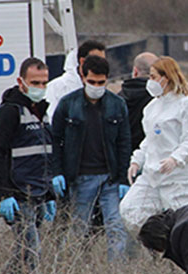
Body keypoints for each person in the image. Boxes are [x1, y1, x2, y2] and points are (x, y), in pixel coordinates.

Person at [51, 55, 131, 261]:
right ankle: (75, 269)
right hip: (80, 177)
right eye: (92, 81)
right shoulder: (68, 104)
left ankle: (117, 273)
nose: (96, 86)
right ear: (83, 77)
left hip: (110, 178)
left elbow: (124, 143)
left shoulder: (117, 105)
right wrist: (57, 172)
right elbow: (56, 141)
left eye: (101, 82)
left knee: (115, 226)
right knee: (78, 228)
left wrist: (123, 179)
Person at [0, 57, 56, 274]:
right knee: (32, 250)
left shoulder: (41, 111)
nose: (40, 88)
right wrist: (5, 194)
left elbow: (43, 155)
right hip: (19, 193)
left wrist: (49, 194)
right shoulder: (9, 112)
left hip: (38, 192)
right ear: (21, 81)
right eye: (35, 83)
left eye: (44, 83)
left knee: (23, 252)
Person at [119, 56, 188, 230]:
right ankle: (157, 244)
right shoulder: (151, 108)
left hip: (179, 177)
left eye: (154, 77)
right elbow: (149, 140)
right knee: (130, 210)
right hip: (152, 174)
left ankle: (177, 249)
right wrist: (137, 161)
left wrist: (175, 159)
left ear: (167, 77)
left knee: (181, 223)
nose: (151, 81)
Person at [45, 40, 107, 122]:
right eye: (97, 60)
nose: (101, 65)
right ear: (82, 61)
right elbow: (52, 121)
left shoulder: (104, 92)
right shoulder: (55, 87)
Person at [119, 51, 159, 153]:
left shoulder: (118, 99)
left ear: (135, 71)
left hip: (123, 154)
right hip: (151, 154)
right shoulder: (157, 99)